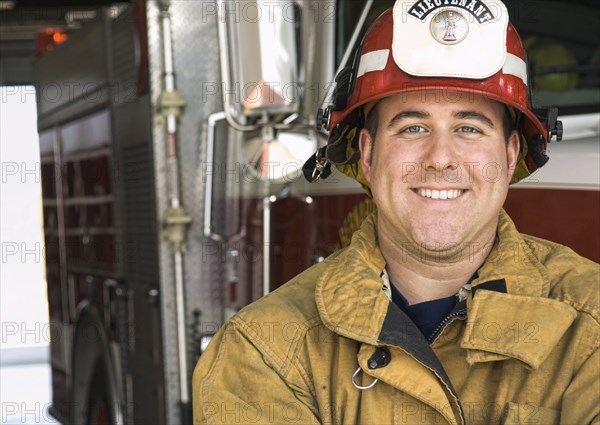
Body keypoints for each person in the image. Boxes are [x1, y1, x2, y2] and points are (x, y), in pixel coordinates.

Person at [193, 1, 600, 423]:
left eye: (469, 127)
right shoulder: (265, 349)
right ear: (367, 155)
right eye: (413, 127)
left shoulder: (590, 326)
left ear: (511, 153)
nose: (440, 159)